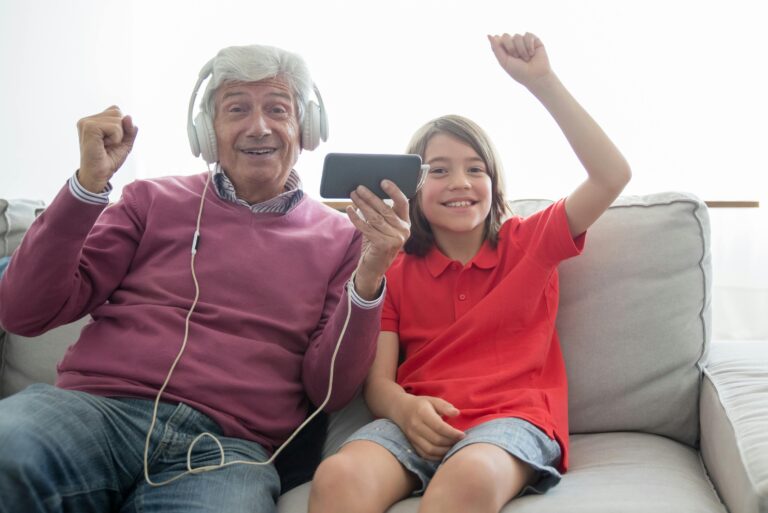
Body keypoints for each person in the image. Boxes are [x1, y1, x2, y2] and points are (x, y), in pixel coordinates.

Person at [0, 44, 410, 513]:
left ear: (305, 129)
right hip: (96, 411)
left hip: (226, 450)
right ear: (207, 133)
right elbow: (22, 311)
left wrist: (371, 274)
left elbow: (331, 389)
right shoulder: (149, 200)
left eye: (277, 110)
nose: (259, 127)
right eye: (237, 109)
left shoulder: (344, 239)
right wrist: (86, 188)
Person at [309, 31, 632, 513]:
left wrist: (542, 82)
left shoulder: (531, 241)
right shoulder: (392, 266)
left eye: (475, 169)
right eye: (438, 171)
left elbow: (612, 175)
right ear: (412, 188)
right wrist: (406, 409)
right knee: (338, 475)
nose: (459, 183)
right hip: (416, 419)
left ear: (494, 182)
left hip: (511, 421)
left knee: (471, 475)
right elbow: (379, 383)